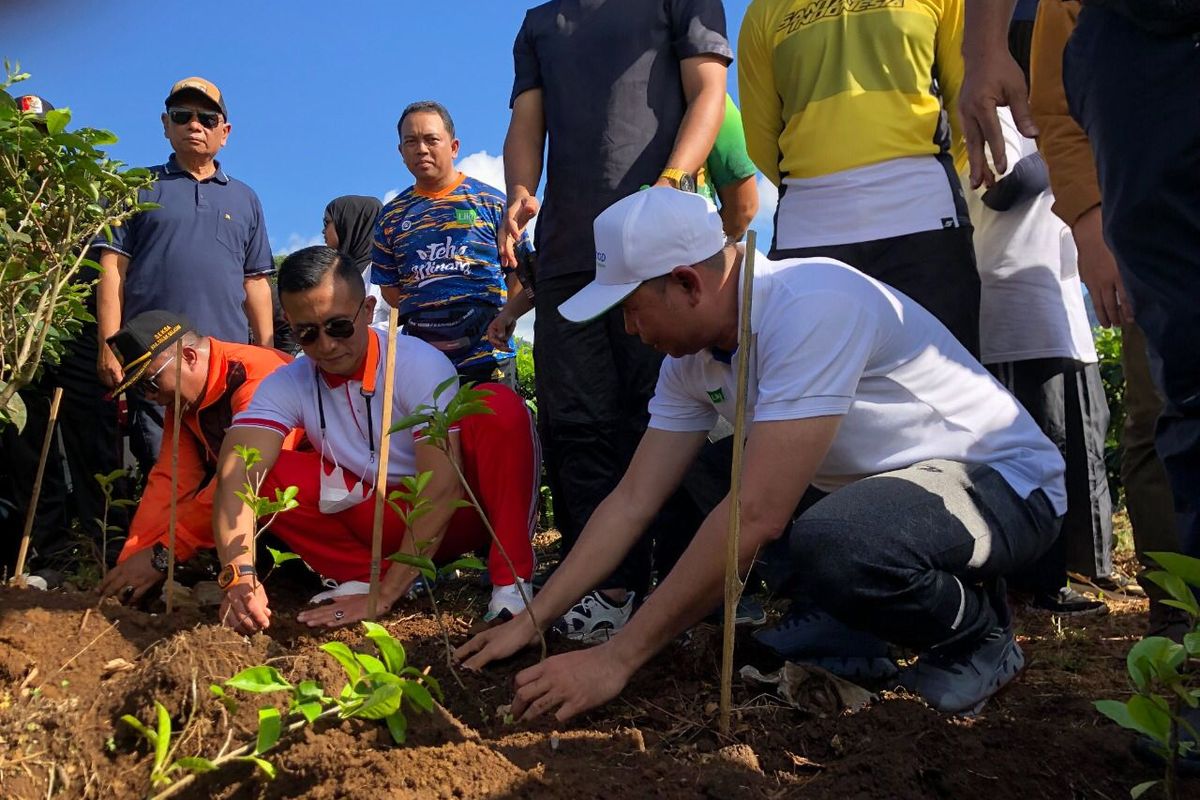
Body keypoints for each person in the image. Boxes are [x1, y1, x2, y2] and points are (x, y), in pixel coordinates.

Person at [458, 188, 1065, 718]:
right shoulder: (692, 362)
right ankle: (855, 624)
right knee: (716, 474)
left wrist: (617, 659)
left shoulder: (809, 306)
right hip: (899, 497)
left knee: (835, 535)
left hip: (1005, 488)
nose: (629, 330)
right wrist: (535, 618)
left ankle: (978, 635)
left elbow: (758, 514)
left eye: (631, 309)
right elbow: (633, 500)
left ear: (687, 282)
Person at [499, 0, 732, 639]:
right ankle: (606, 588)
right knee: (576, 422)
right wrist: (521, 189)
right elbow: (527, 121)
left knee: (670, 414)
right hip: (573, 253)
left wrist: (673, 180)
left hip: (659, 245)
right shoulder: (541, 22)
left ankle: (696, 591)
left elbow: (709, 89)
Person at [213, 246, 540, 633]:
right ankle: (384, 575)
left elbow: (441, 485)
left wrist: (386, 597)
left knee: (498, 406)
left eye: (338, 327)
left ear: (367, 311)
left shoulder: (416, 363)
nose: (326, 346)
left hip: (456, 511)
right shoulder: (289, 382)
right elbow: (237, 474)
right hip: (378, 515)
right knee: (262, 471)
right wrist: (239, 574)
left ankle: (511, 580)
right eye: (307, 333)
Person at [1029, 0, 1183, 633]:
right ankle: (1181, 625)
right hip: (1156, 222)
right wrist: (1091, 223)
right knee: (1163, 413)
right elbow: (1057, 107)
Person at [738, 0, 981, 357]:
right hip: (810, 235)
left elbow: (964, 100)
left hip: (925, 221)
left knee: (949, 390)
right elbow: (760, 137)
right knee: (812, 394)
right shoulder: (763, 11)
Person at [965, 105, 1110, 615]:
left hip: (1060, 303)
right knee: (1040, 444)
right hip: (1017, 303)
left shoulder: (1043, 120)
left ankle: (1069, 570)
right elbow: (1008, 185)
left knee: (1075, 440)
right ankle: (1039, 582)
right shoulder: (989, 110)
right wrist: (1068, 145)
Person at [94, 77, 275, 476]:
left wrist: (268, 353)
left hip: (227, 366)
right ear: (165, 124)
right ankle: (165, 542)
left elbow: (256, 283)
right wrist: (109, 345)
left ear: (224, 133)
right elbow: (111, 269)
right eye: (183, 115)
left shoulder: (245, 198)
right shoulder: (136, 188)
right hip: (155, 363)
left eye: (207, 118)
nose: (195, 124)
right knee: (167, 471)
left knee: (234, 471)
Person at [94, 311, 295, 603]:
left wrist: (163, 555)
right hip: (265, 511)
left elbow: (245, 478)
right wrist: (134, 556)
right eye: (138, 389)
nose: (150, 397)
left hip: (326, 500)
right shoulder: (183, 401)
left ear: (189, 356)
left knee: (265, 471)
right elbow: (170, 479)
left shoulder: (256, 376)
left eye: (149, 383)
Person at [371, 101, 527, 389]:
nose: (421, 149)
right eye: (411, 142)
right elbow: (390, 290)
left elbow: (522, 272)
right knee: (433, 434)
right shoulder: (390, 217)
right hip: (423, 360)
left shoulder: (491, 203)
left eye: (431, 139)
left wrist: (508, 314)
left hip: (487, 354)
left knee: (495, 430)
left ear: (453, 146)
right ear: (401, 151)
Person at [323, 195, 388, 327]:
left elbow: (396, 326)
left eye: (327, 223)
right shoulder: (334, 276)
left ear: (348, 223)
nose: (323, 231)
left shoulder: (385, 271)